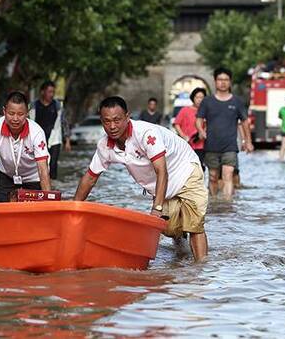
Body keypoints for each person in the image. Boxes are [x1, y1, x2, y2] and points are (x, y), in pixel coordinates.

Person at [74, 96, 209, 261]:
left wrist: (156, 209)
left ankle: (201, 270)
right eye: (106, 121)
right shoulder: (105, 146)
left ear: (127, 117)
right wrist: (73, 209)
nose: (112, 126)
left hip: (185, 170)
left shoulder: (145, 134)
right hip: (160, 184)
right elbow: (89, 179)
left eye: (117, 120)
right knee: (169, 228)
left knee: (194, 224)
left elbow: (162, 171)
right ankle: (181, 258)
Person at [0, 91, 52, 202]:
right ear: (4, 111)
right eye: (11, 113)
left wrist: (48, 200)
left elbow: (43, 169)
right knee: (0, 210)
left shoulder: (37, 132)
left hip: (34, 177)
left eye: (20, 114)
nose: (15, 119)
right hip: (6, 175)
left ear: (27, 113)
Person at [196, 67, 253, 199]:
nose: (223, 82)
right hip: (211, 146)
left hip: (230, 146)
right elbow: (198, 119)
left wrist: (248, 142)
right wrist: (201, 131)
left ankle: (227, 205)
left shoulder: (237, 102)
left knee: (228, 175)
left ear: (230, 82)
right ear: (215, 81)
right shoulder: (207, 101)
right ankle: (214, 203)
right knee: (213, 177)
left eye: (226, 80)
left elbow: (245, 122)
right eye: (220, 79)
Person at [29, 81, 71, 180]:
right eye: (49, 92)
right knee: (39, 163)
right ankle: (39, 183)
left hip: (54, 138)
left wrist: (67, 141)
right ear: (42, 92)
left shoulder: (57, 106)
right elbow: (28, 122)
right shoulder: (34, 105)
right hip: (37, 138)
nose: (51, 94)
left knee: (53, 164)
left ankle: (52, 186)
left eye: (53, 92)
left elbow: (64, 122)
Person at [174, 87, 207, 170]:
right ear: (193, 98)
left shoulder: (206, 111)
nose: (199, 100)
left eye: (202, 98)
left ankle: (199, 183)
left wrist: (203, 133)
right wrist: (183, 136)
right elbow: (177, 124)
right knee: (187, 168)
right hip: (187, 145)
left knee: (199, 168)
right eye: (197, 97)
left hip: (201, 145)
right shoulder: (185, 110)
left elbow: (208, 125)